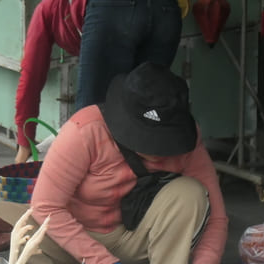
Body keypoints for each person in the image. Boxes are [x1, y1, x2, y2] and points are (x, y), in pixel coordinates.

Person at [0, 61, 227, 264]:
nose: (156, 149)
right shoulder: (85, 130)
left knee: (189, 194)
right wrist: (103, 262)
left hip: (137, 238)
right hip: (72, 238)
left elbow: (218, 219)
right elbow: (46, 206)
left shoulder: (189, 141)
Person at [13, 0, 188, 164]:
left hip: (116, 8)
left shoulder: (47, 9)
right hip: (166, 10)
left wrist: (24, 143)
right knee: (149, 119)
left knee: (88, 126)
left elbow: (30, 78)